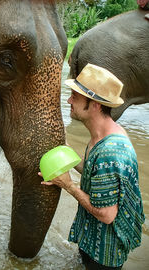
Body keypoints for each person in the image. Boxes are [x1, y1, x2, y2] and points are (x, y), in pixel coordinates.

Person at [40, 63, 145, 269]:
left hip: (105, 253)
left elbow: (106, 215)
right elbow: (93, 171)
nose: (69, 100)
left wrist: (68, 186)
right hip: (92, 239)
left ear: (95, 104)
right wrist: (66, 152)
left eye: (75, 97)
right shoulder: (104, 134)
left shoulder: (111, 152)